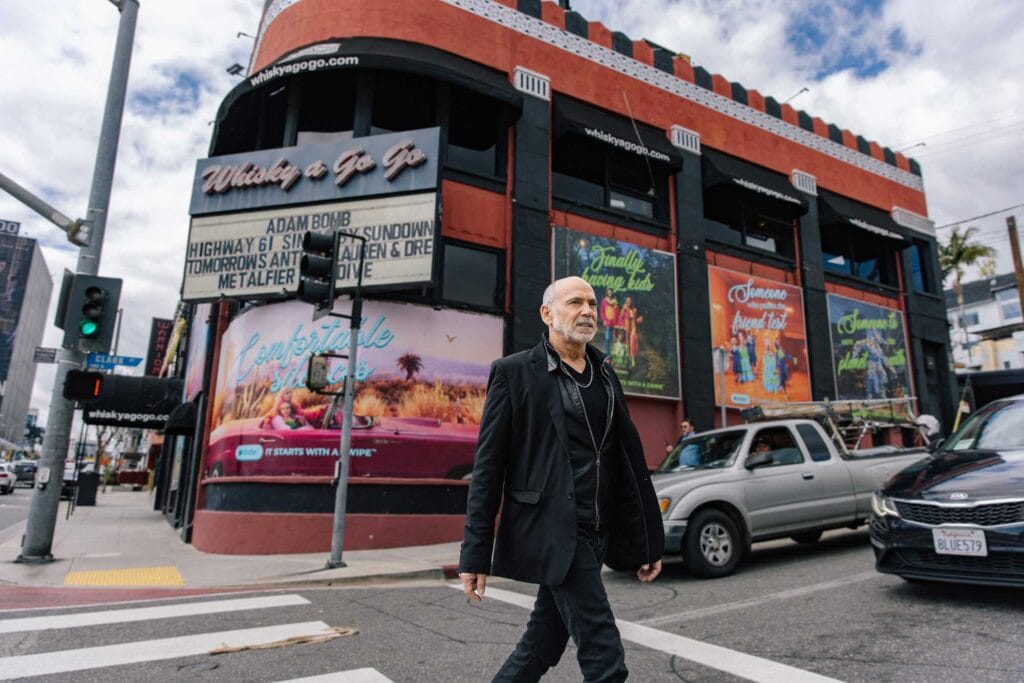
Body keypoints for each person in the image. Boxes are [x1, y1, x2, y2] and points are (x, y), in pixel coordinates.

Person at [459, 276, 664, 683]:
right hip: (554, 529)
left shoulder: (605, 372)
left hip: (597, 528)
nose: (587, 311)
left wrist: (646, 540)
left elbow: (626, 461)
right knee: (605, 653)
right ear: (547, 313)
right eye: (575, 302)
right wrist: (475, 552)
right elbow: (488, 469)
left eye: (592, 303)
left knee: (540, 644)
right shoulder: (515, 373)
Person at [599, 288, 619, 357]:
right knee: (607, 338)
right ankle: (607, 354)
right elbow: (602, 311)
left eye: (611, 292)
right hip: (607, 323)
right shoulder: (604, 301)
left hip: (614, 323)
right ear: (607, 293)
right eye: (609, 292)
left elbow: (617, 313)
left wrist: (617, 323)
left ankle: (611, 355)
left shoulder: (615, 302)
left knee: (612, 339)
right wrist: (604, 320)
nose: (610, 293)